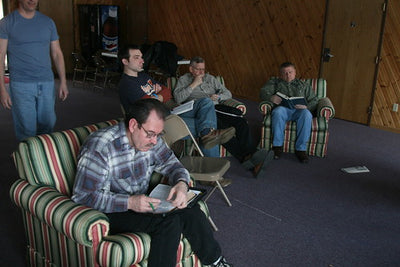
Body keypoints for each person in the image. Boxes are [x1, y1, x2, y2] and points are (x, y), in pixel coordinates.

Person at [72, 98, 233, 267]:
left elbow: (172, 164)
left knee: (192, 211)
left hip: (142, 201)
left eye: (158, 134)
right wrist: (130, 203)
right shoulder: (101, 147)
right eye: (150, 134)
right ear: (133, 125)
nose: (155, 141)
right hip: (112, 210)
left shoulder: (150, 140)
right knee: (168, 222)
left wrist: (181, 183)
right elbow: (84, 196)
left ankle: (215, 262)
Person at [117, 44, 235, 159]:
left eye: (141, 57)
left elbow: (167, 91)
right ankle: (212, 171)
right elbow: (148, 106)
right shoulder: (127, 84)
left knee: (206, 102)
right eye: (136, 57)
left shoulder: (143, 76)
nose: (142, 60)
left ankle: (208, 137)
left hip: (169, 112)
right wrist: (157, 96)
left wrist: (157, 97)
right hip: (158, 121)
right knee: (207, 129)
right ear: (125, 61)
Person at [174, 56, 273, 178]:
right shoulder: (183, 80)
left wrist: (219, 97)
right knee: (222, 127)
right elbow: (178, 98)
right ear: (191, 69)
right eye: (198, 69)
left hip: (216, 106)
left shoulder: (210, 79)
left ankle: (247, 157)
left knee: (241, 122)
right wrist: (193, 85)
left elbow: (228, 93)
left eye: (203, 69)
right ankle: (250, 156)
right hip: (199, 110)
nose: (201, 73)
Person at [0, 0, 69, 142]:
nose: (32, 0)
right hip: (21, 85)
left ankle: (42, 157)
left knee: (48, 124)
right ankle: (28, 161)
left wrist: (63, 81)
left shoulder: (48, 22)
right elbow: (1, 57)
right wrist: (2, 90)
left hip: (46, 82)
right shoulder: (6, 23)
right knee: (27, 130)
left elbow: (57, 53)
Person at [260, 62, 319, 163]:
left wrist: (306, 106)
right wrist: (271, 97)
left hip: (299, 111)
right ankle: (277, 147)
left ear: (295, 72)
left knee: (307, 114)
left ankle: (301, 149)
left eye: (290, 72)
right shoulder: (275, 82)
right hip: (283, 110)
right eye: (285, 73)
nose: (288, 75)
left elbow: (314, 100)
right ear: (281, 74)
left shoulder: (303, 85)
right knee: (277, 111)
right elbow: (263, 92)